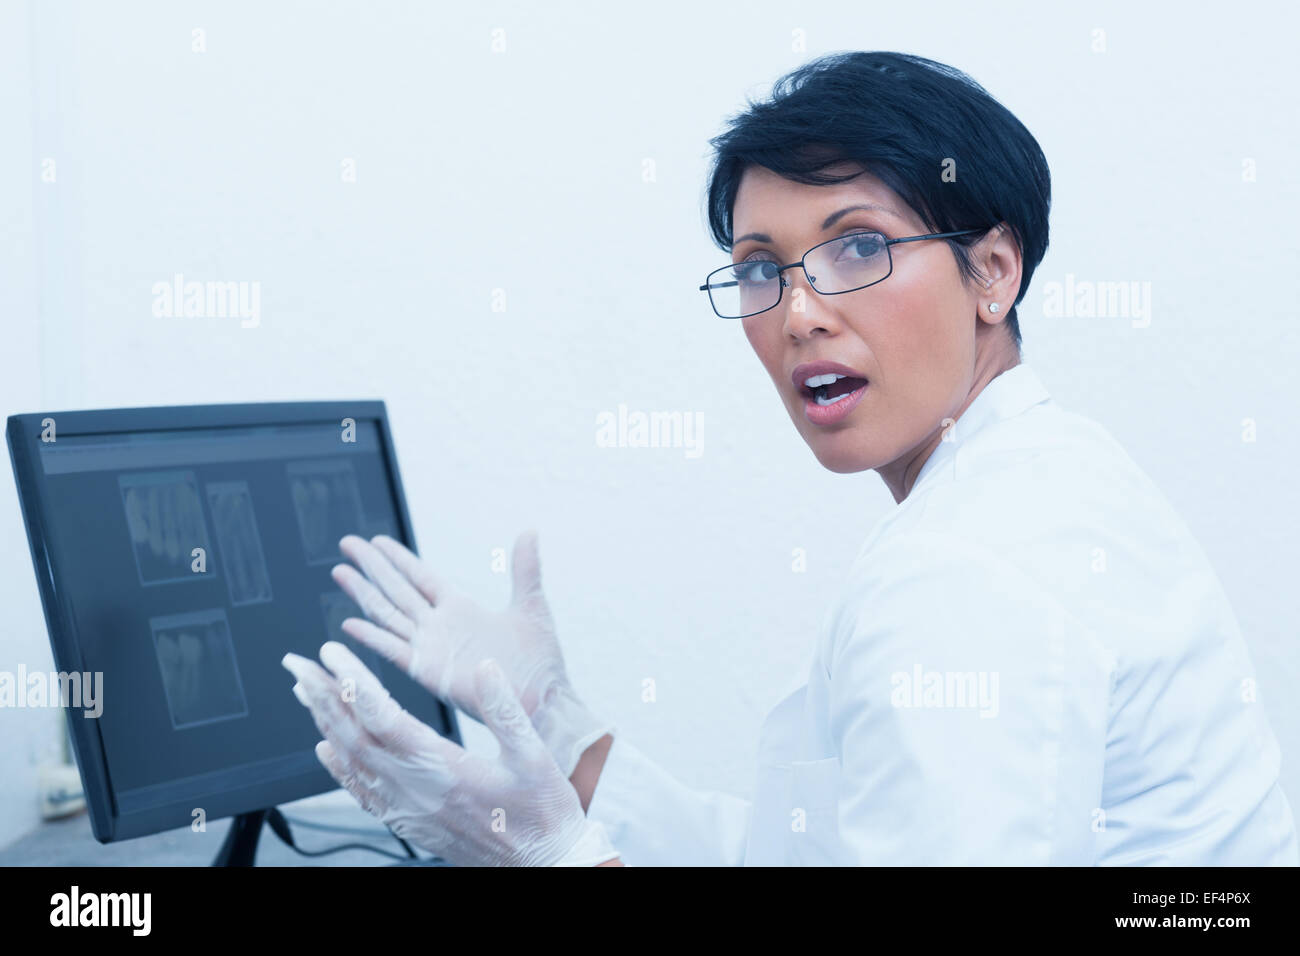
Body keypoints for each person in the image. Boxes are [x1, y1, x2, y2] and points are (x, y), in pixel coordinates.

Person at [282, 51, 1299, 866]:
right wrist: (562, 728)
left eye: (857, 245)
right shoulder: (1039, 475)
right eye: (760, 267)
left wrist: (542, 854)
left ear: (992, 269)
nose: (800, 312)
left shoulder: (967, 572)